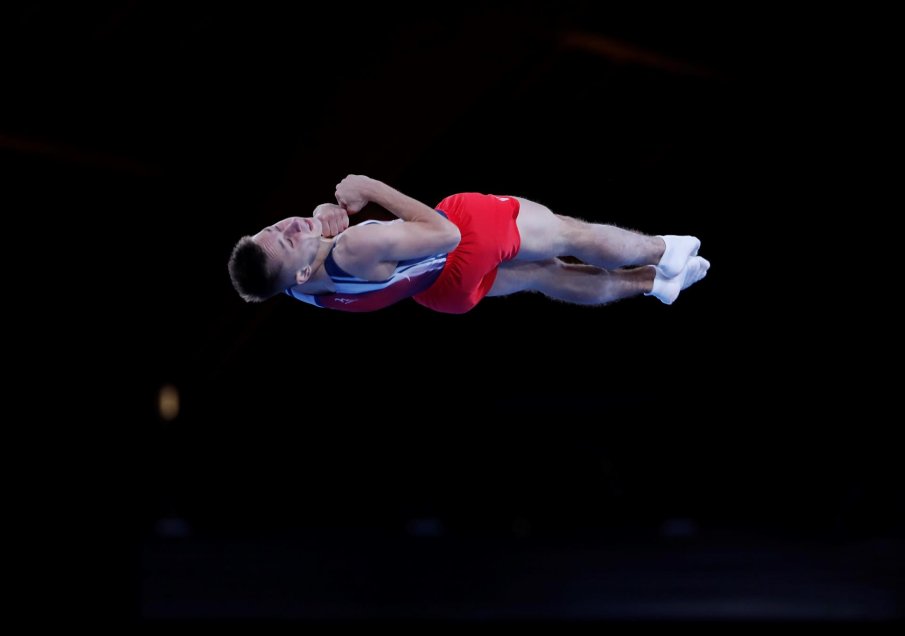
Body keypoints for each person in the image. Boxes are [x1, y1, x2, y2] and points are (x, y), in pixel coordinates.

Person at [227, 174, 709, 314]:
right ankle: (663, 252)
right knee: (568, 234)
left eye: (276, 228)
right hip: (461, 242)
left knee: (545, 276)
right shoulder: (352, 249)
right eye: (286, 242)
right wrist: (369, 188)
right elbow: (446, 234)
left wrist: (315, 223)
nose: (286, 228)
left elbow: (300, 256)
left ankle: (652, 285)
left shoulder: (290, 286)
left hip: (439, 290)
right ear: (302, 271)